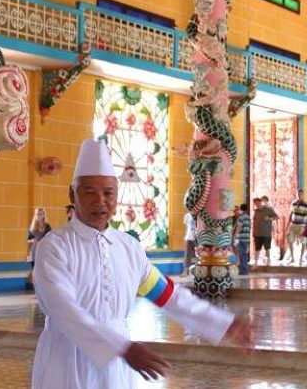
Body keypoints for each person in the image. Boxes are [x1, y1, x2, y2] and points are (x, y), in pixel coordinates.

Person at [32, 139, 252, 388]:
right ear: (72, 194)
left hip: (117, 367)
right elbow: (64, 311)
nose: (100, 201)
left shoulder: (129, 248)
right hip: (66, 362)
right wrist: (121, 347)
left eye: (108, 193)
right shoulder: (55, 246)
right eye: (89, 192)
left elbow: (167, 295)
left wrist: (222, 322)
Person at [253, 196, 278, 266]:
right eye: (255, 204)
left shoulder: (268, 209)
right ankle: (256, 262)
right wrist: (254, 232)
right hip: (257, 233)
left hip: (266, 233)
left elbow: (276, 217)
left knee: (267, 248)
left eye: (258, 203)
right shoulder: (256, 211)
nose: (257, 205)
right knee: (257, 248)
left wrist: (269, 218)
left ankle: (269, 259)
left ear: (261, 202)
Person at [288, 190, 307, 266]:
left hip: (302, 225)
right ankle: (292, 257)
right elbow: (291, 214)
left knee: (303, 242)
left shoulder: (306, 205)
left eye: (301, 194)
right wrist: (288, 225)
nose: (299, 195)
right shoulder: (293, 203)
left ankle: (301, 259)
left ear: (303, 195)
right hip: (293, 225)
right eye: (298, 194)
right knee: (290, 241)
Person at [233, 204, 252, 275]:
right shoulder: (248, 217)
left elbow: (239, 227)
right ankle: (245, 270)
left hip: (242, 237)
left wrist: (235, 235)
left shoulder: (241, 217)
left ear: (241, 209)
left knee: (242, 254)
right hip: (247, 237)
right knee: (244, 254)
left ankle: (244, 270)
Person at [182, 211, 197, 277]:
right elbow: (186, 227)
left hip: (198, 237)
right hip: (189, 237)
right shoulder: (187, 215)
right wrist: (186, 236)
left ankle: (199, 271)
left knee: (200, 254)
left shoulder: (200, 214)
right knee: (187, 254)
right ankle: (185, 271)